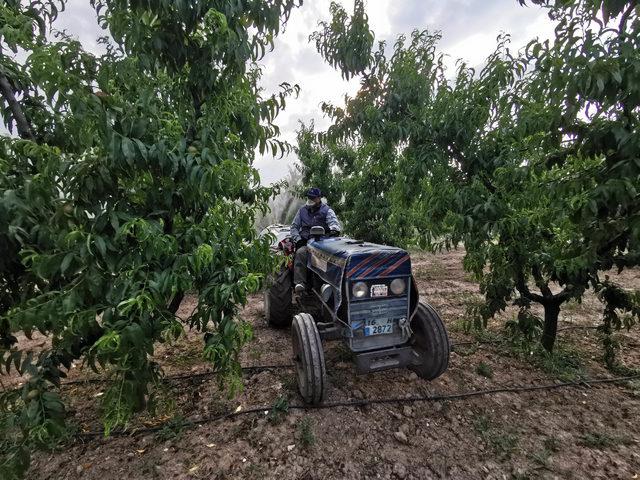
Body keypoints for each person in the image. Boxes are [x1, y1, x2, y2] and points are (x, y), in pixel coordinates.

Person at [290, 188, 341, 293]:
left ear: (319, 198)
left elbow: (334, 224)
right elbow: (294, 227)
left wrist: (333, 231)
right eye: (309, 197)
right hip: (306, 242)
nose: (310, 199)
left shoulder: (327, 211)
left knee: (331, 258)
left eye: (313, 198)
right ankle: (300, 283)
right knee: (300, 253)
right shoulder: (302, 211)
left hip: (322, 243)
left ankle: (329, 284)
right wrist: (298, 239)